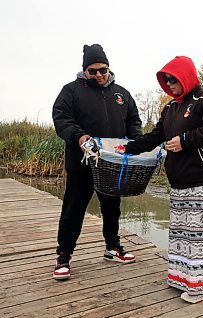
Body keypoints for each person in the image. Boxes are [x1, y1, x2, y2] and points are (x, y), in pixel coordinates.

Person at [124, 56, 203, 303]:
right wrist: (128, 149)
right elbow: (155, 136)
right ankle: (184, 277)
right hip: (181, 181)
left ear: (186, 76)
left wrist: (185, 140)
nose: (169, 84)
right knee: (184, 235)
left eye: (173, 79)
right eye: (166, 79)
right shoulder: (172, 107)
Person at [51, 44, 142, 280]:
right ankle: (63, 256)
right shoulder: (70, 91)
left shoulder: (122, 93)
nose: (99, 75)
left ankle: (113, 247)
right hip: (82, 163)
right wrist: (78, 136)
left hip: (112, 165)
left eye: (103, 69)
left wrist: (137, 143)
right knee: (73, 210)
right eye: (93, 71)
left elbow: (134, 121)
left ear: (109, 68)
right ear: (85, 71)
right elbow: (61, 119)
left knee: (112, 209)